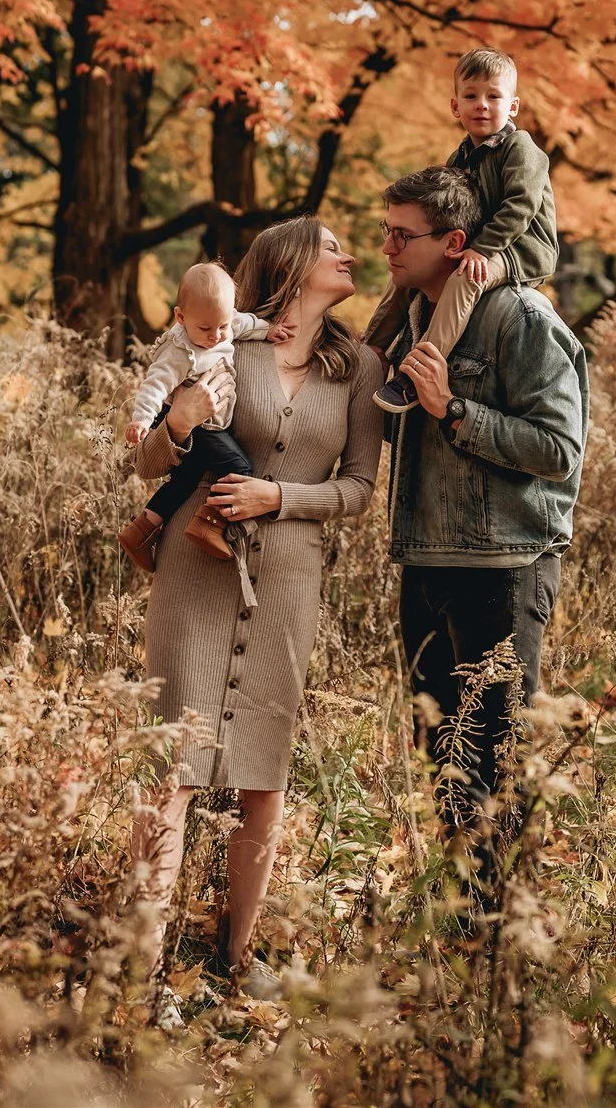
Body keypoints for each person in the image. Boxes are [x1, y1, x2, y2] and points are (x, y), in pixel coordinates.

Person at [124, 218, 386, 1015]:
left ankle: (235, 960)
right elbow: (147, 459)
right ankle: (142, 970)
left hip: (288, 582)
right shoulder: (223, 345)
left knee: (262, 778)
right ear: (289, 265)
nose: (348, 254)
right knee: (173, 766)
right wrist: (175, 422)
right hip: (196, 572)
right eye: (331, 243)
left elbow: (360, 489)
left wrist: (282, 497)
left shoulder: (360, 367)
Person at [377, 166, 587, 852]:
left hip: (504, 566)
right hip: (426, 559)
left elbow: (559, 447)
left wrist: (454, 409)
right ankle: (460, 924)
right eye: (386, 231)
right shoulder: (410, 319)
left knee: (496, 753)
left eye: (402, 235)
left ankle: (498, 936)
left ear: (455, 241)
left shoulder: (521, 317)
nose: (388, 247)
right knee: (440, 749)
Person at [370, 47, 559, 413]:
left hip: (522, 249)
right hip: (479, 243)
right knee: (409, 270)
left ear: (513, 106)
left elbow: (521, 204)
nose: (482, 105)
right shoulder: (460, 157)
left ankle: (417, 375)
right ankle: (372, 348)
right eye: (471, 96)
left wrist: (483, 250)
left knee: (465, 279)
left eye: (493, 96)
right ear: (456, 106)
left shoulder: (521, 149)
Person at [118, 262, 292, 572]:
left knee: (186, 477)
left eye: (222, 326)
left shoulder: (222, 322)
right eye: (205, 329)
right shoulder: (179, 350)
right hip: (187, 418)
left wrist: (270, 330)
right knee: (239, 468)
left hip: (207, 420)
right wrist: (142, 419)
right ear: (181, 318)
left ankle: (142, 531)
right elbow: (154, 386)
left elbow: (245, 324)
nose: (216, 336)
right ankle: (209, 523)